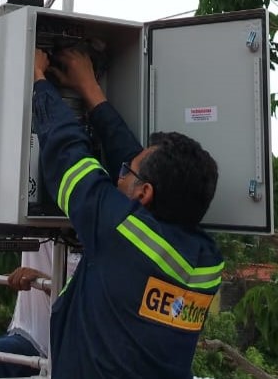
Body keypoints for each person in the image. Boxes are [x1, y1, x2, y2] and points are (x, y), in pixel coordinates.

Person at [32, 47, 224, 379]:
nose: (118, 175)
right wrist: (90, 88)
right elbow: (138, 167)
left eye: (125, 172)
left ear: (144, 194)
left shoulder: (120, 233)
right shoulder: (206, 260)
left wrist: (37, 77)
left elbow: (66, 155)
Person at [0, 62, 76, 379]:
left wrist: (46, 280)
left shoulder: (99, 203)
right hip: (32, 335)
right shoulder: (36, 184)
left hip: (75, 343)